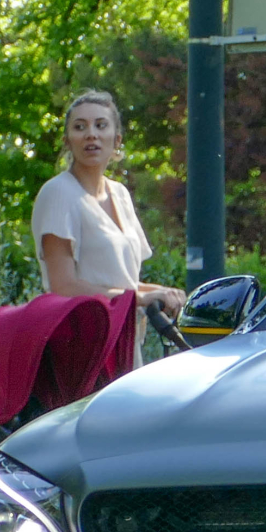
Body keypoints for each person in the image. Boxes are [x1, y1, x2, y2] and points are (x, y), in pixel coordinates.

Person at [31, 91, 184, 359]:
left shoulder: (120, 194)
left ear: (117, 139)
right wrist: (139, 297)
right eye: (80, 127)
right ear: (68, 141)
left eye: (101, 125)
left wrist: (160, 292)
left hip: (126, 339)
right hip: (82, 347)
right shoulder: (57, 193)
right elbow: (63, 286)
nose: (91, 134)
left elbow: (121, 282)